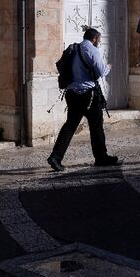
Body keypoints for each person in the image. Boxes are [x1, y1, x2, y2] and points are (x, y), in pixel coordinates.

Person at [47, 28, 120, 171]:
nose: (99, 42)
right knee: (96, 125)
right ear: (94, 39)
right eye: (98, 40)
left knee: (70, 125)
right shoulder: (92, 50)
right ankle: (101, 157)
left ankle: (55, 157)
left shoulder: (74, 49)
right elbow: (101, 72)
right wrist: (108, 67)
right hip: (89, 95)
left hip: (72, 93)